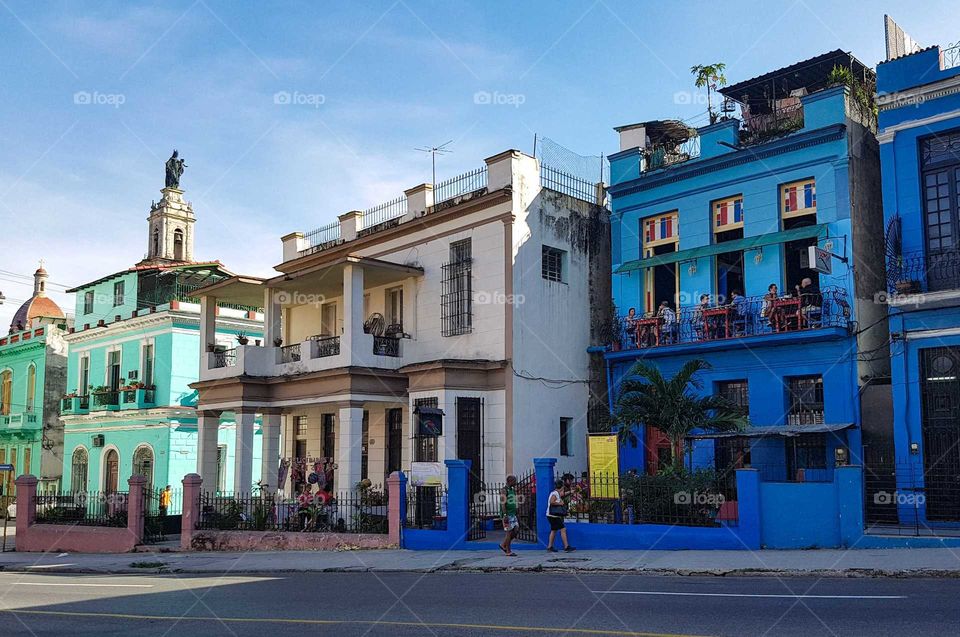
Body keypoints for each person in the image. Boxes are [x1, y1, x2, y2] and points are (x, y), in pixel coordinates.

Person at [546, 479, 575, 553]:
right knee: (563, 529)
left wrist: (570, 492)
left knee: (554, 530)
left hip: (550, 515)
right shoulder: (554, 494)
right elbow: (552, 502)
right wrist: (560, 504)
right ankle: (566, 546)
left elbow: (562, 495)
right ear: (562, 487)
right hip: (554, 516)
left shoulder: (556, 493)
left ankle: (550, 546)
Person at [499, 475, 520, 557]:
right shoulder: (504, 490)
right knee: (509, 532)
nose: (516, 483)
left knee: (516, 530)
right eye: (514, 481)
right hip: (507, 515)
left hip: (513, 514)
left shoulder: (512, 490)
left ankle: (503, 544)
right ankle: (508, 551)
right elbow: (503, 504)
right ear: (510, 481)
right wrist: (505, 515)